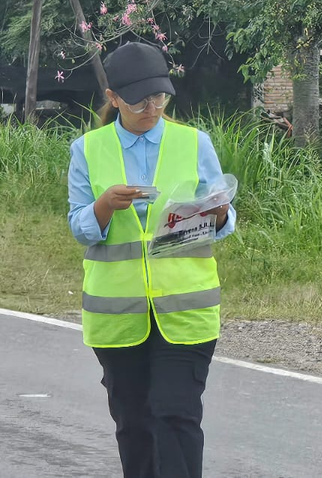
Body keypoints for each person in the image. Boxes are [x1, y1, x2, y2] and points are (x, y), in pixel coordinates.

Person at [67, 42, 236, 478]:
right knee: (134, 421)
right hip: (118, 315)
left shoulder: (195, 142)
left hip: (186, 310)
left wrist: (218, 211)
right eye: (141, 100)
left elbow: (225, 217)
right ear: (114, 98)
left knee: (175, 414)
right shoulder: (87, 150)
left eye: (159, 97)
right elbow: (80, 227)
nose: (152, 107)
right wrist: (103, 206)